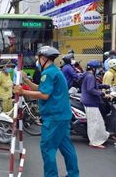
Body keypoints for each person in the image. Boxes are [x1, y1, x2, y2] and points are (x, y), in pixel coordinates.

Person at [14, 46, 79, 177]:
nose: (37, 61)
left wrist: (22, 91)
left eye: (38, 58)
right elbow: (42, 88)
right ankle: (73, 174)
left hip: (54, 118)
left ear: (43, 58)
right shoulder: (54, 71)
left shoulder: (48, 73)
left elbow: (44, 94)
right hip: (62, 116)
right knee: (66, 147)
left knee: (47, 148)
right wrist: (26, 81)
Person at [81, 60, 114, 148]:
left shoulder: (88, 75)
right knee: (94, 123)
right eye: (98, 68)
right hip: (90, 102)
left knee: (98, 122)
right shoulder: (90, 76)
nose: (99, 70)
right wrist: (103, 94)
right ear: (93, 68)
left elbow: (93, 86)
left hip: (90, 102)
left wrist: (103, 86)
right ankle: (94, 142)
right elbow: (91, 89)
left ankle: (100, 138)